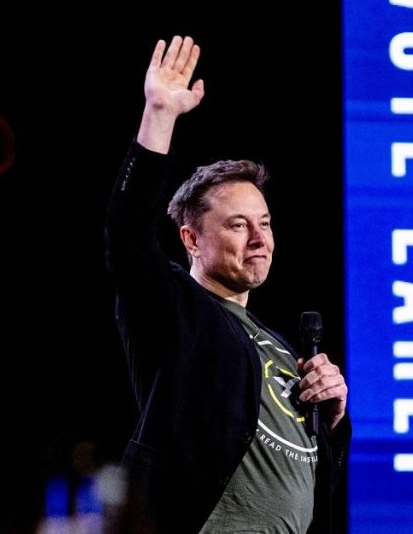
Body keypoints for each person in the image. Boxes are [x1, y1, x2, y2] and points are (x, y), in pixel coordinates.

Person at [103, 35, 350, 534]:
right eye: (238, 225)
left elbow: (303, 471)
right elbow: (127, 234)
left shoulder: (277, 346)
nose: (260, 239)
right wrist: (160, 114)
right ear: (191, 239)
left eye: (266, 223)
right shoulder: (177, 310)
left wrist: (335, 418)